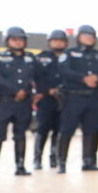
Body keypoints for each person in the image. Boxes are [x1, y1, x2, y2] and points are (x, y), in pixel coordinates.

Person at [56, 26, 98, 173]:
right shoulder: (69, 53)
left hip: (93, 97)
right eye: (86, 35)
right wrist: (83, 79)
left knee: (91, 129)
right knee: (67, 129)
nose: (89, 38)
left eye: (92, 35)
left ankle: (88, 161)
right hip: (74, 96)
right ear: (78, 37)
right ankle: (61, 162)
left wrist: (97, 78)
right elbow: (63, 70)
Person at [0, 27, 35, 177]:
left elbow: (35, 77)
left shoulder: (30, 58)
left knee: (20, 134)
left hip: (23, 104)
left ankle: (20, 166)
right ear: (7, 41)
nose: (18, 42)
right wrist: (16, 90)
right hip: (4, 102)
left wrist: (26, 91)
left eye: (21, 39)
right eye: (14, 39)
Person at [32, 29, 68, 171]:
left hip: (64, 99)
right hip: (46, 99)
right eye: (55, 40)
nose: (58, 43)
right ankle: (37, 159)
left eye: (61, 40)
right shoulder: (40, 57)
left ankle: (54, 158)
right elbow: (35, 77)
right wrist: (47, 90)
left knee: (59, 129)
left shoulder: (69, 57)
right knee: (43, 129)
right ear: (49, 42)